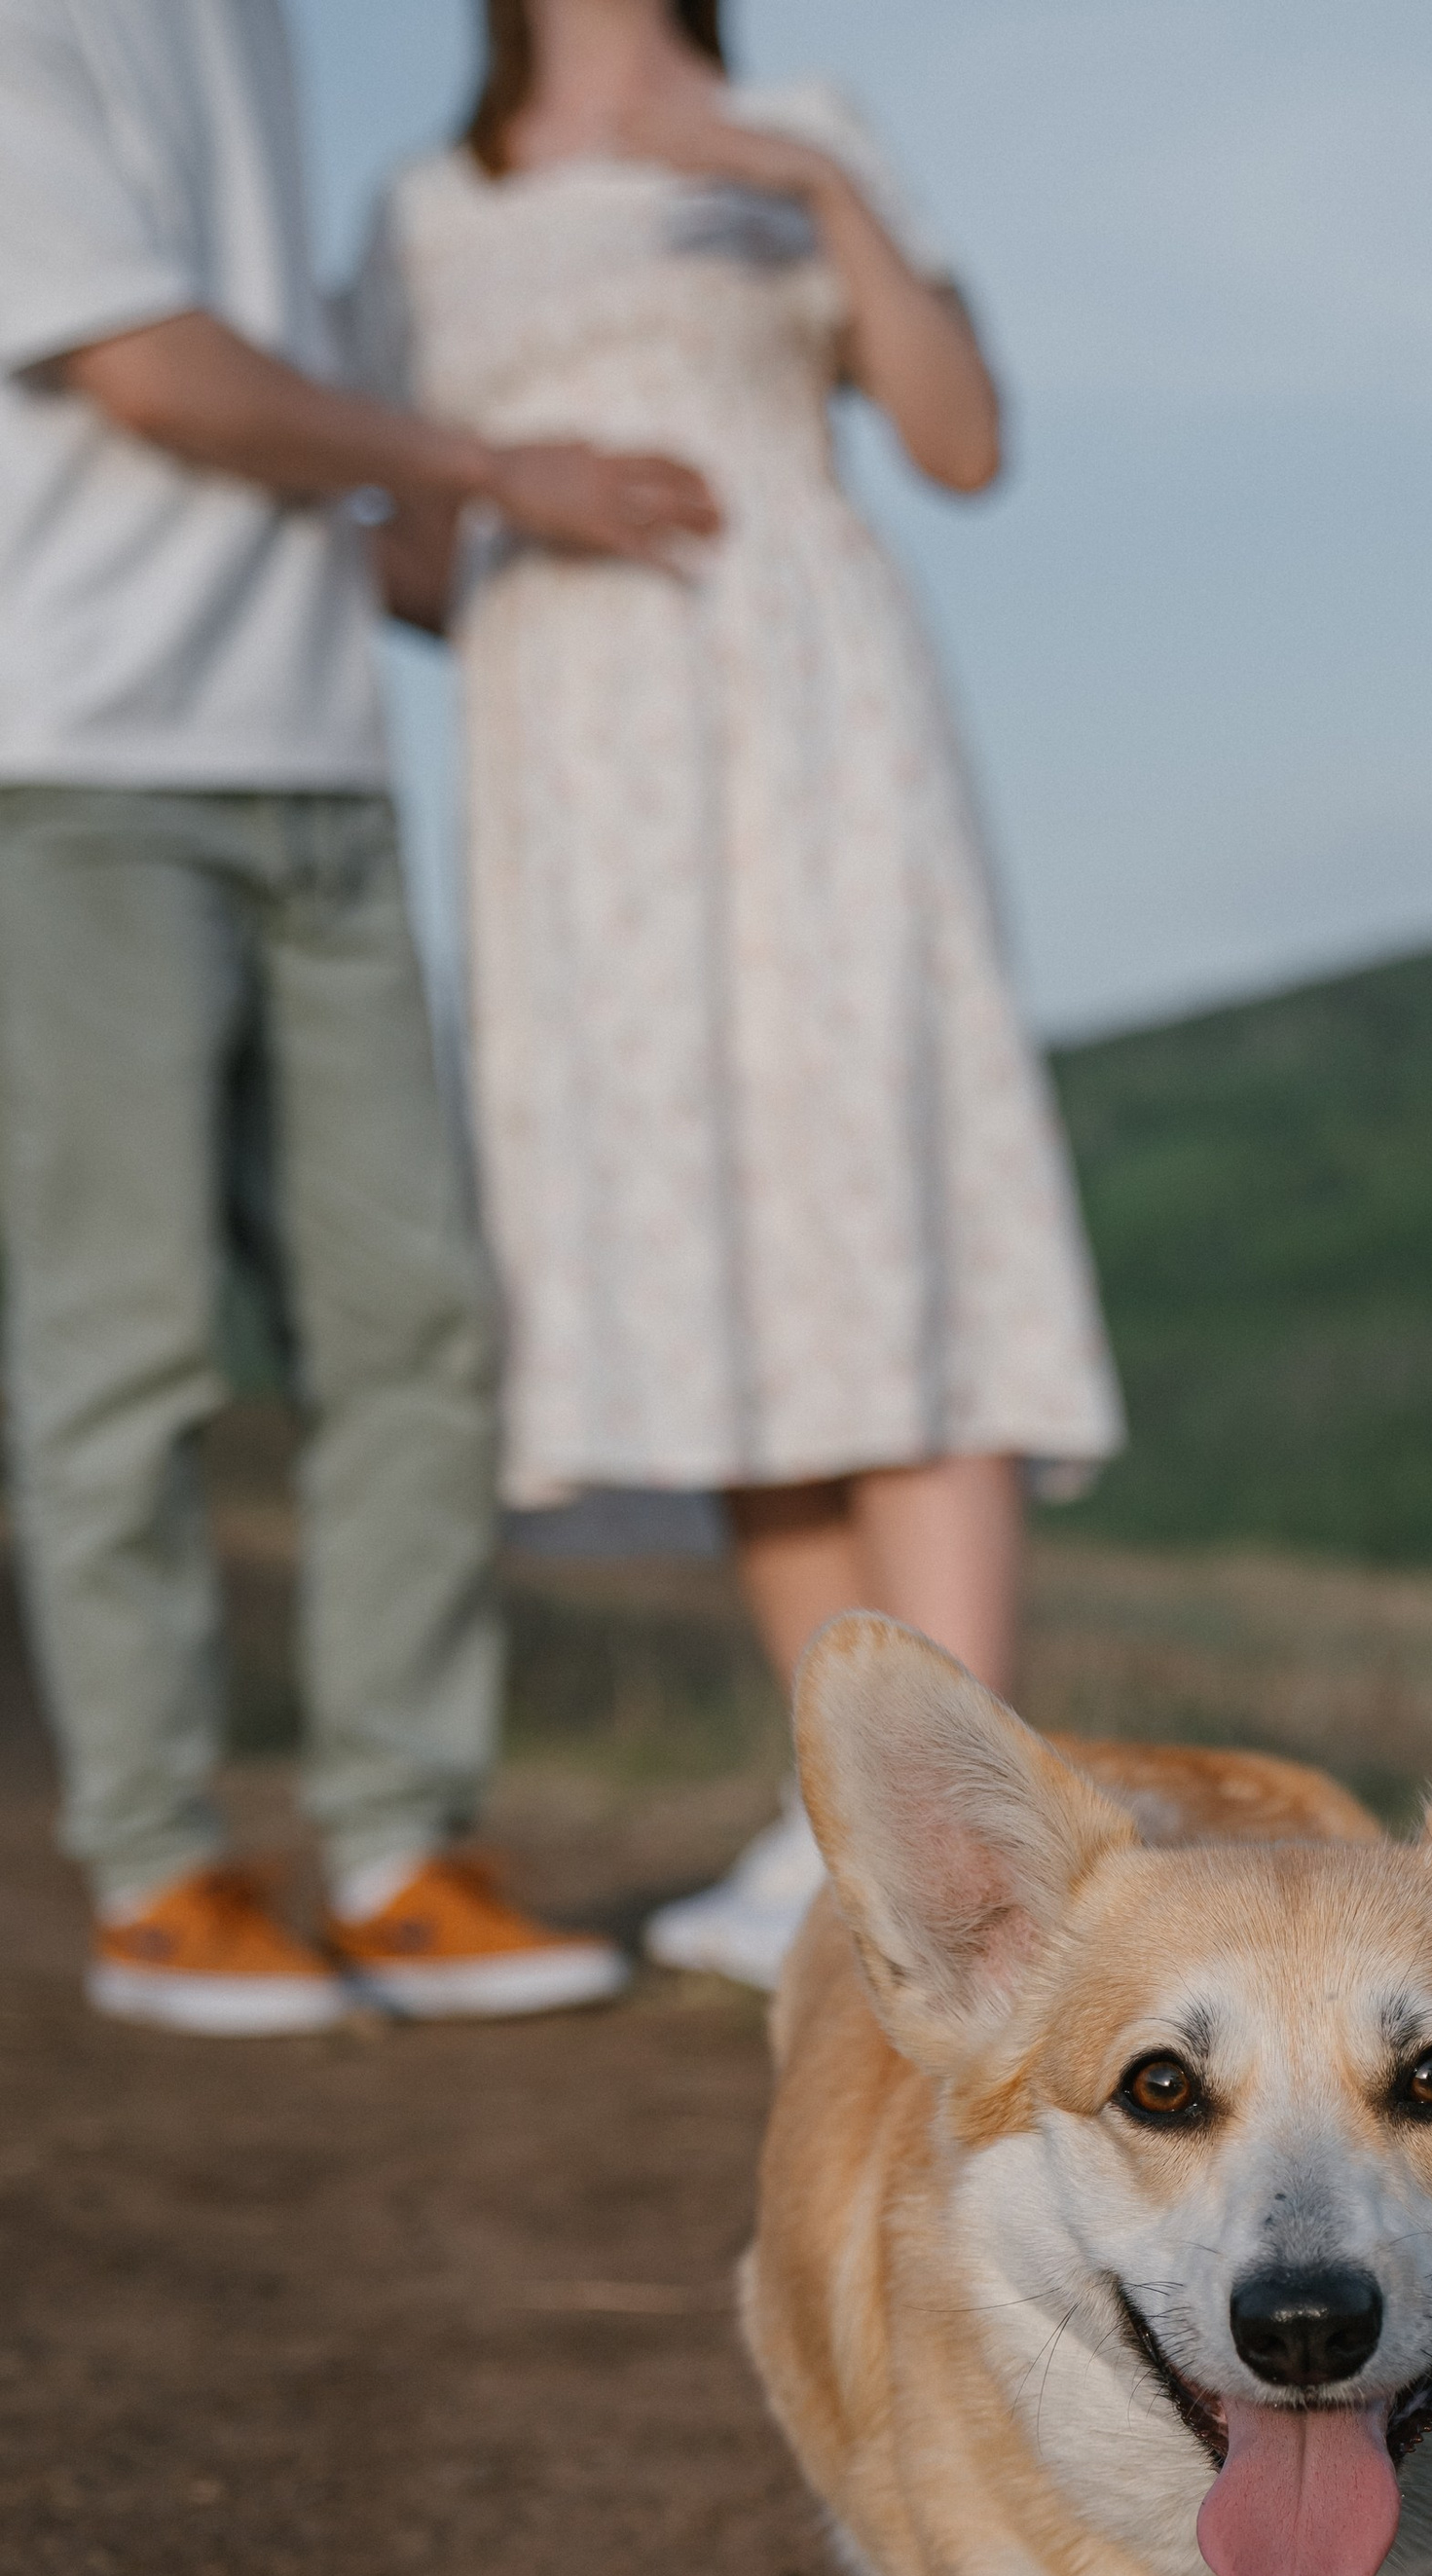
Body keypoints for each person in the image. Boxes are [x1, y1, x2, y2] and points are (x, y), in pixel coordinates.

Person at [351, 0, 1125, 1993]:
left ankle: (982, 1827)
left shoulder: (801, 125)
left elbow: (959, 443)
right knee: (710, 1269)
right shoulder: (428, 211)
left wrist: (814, 189)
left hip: (808, 713)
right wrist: (516, 494)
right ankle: (845, 1823)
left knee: (893, 1206)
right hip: (578, 776)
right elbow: (413, 562)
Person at [0, 0, 727, 2035]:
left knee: (416, 1325)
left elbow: (300, 387)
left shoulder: (249, 30)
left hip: (317, 763)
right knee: (122, 1341)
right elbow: (157, 376)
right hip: (73, 767)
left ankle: (404, 1851)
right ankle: (158, 1876)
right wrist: (501, 470)